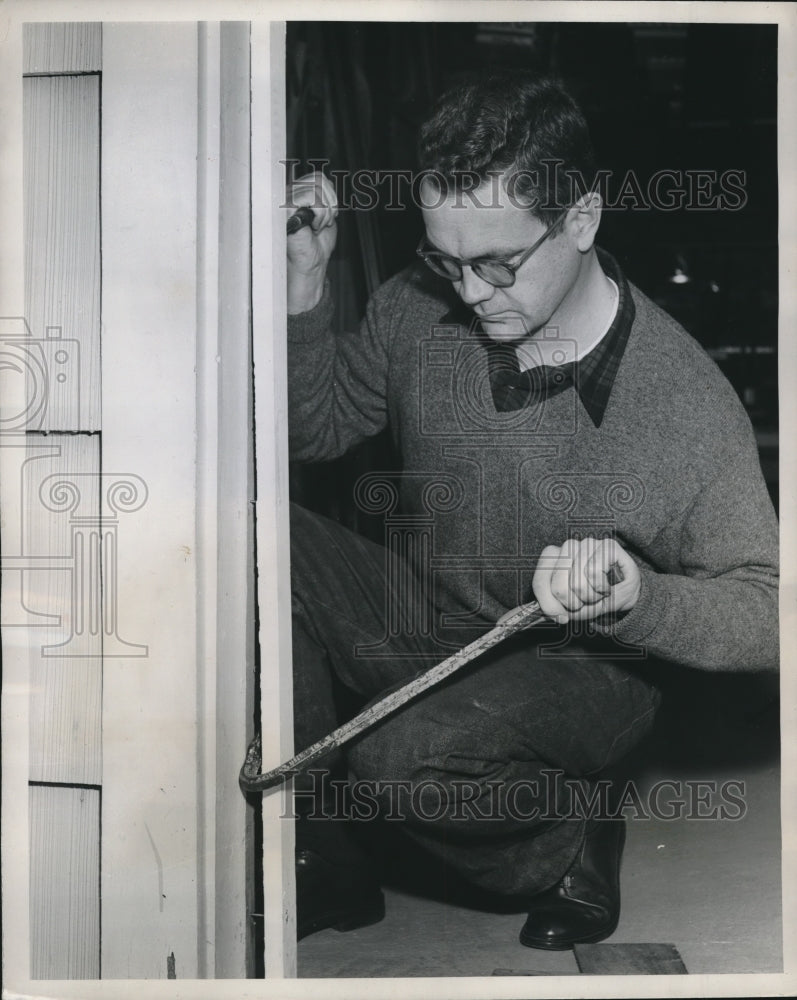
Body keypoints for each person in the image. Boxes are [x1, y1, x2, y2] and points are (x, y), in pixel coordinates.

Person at [284, 71, 778, 949]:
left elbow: (769, 609)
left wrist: (635, 594)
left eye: (497, 264)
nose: (469, 293)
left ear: (580, 219)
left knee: (400, 762)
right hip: (433, 616)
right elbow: (315, 428)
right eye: (446, 259)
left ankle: (567, 838)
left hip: (581, 669)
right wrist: (303, 293)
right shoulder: (418, 305)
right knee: (249, 536)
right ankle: (330, 860)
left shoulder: (680, 400)